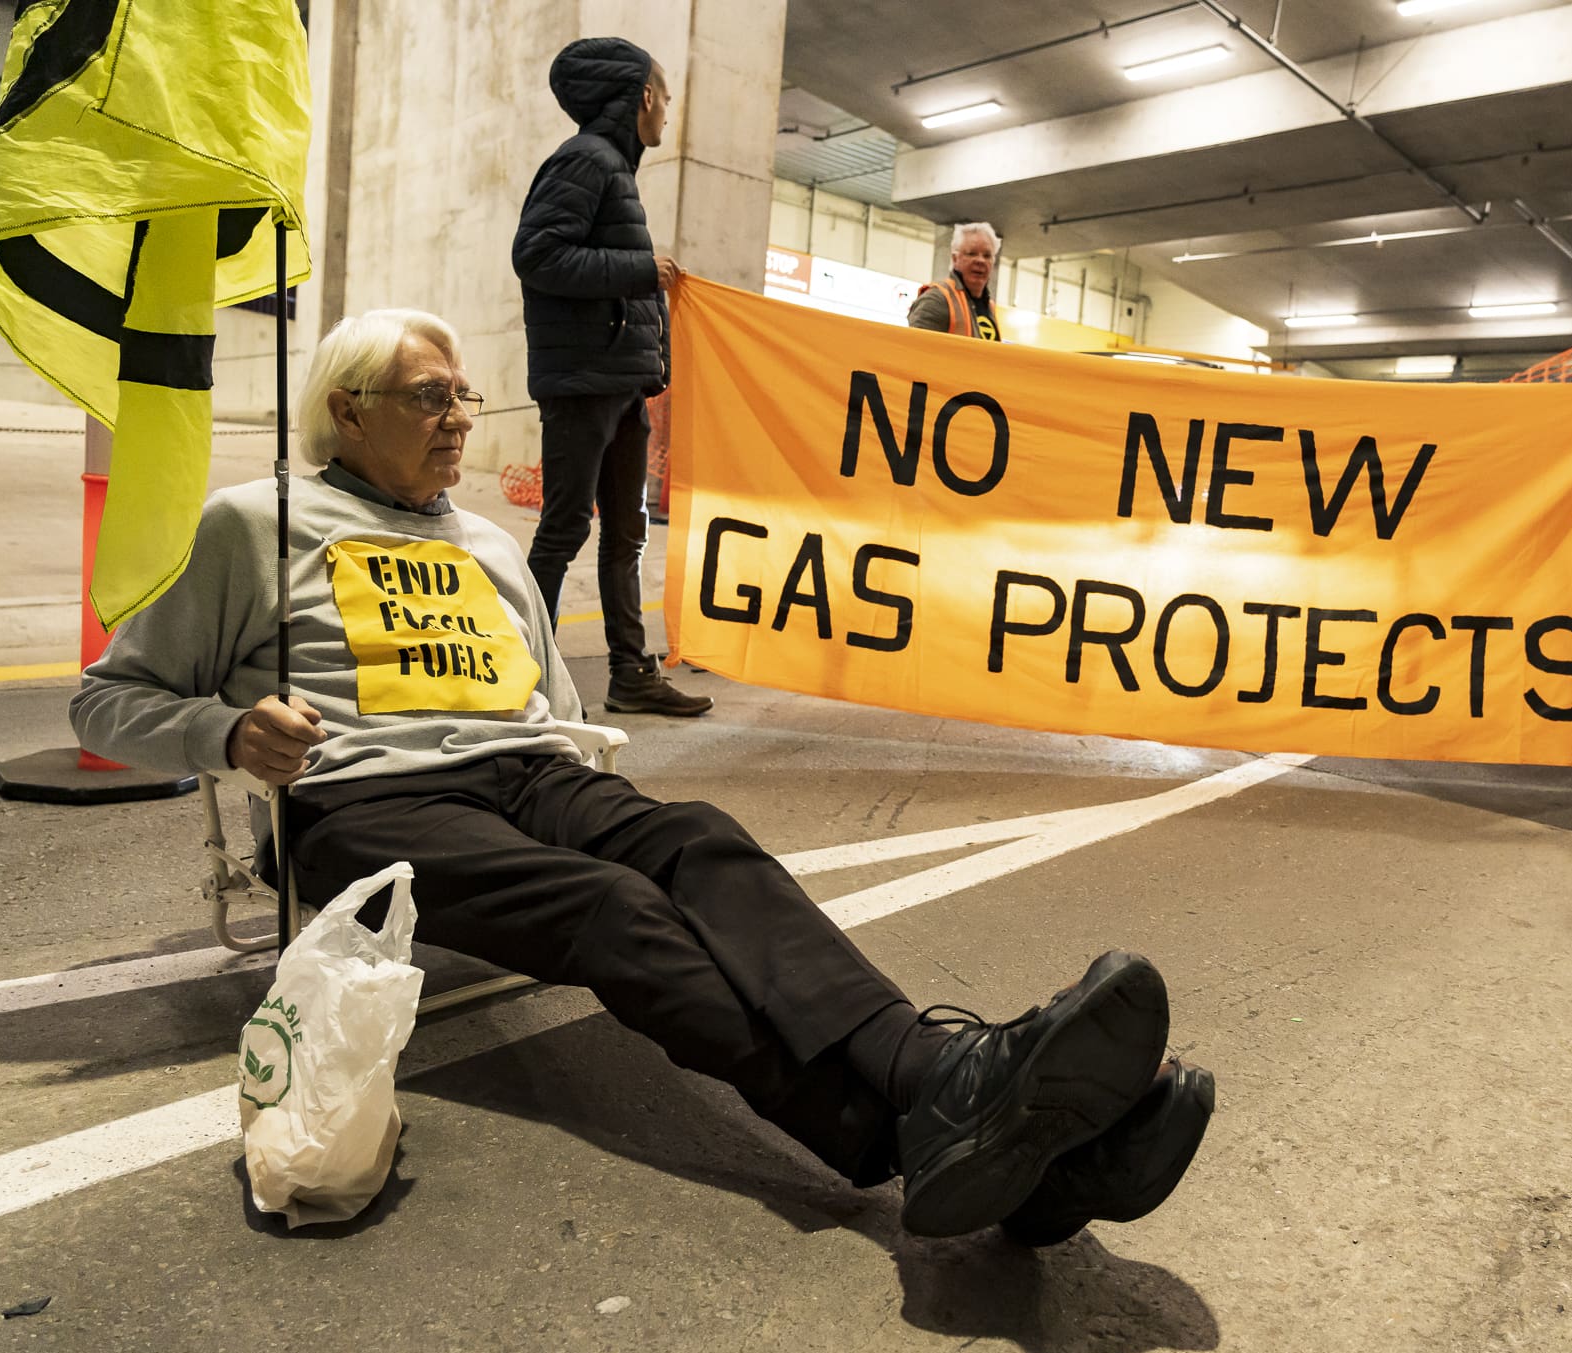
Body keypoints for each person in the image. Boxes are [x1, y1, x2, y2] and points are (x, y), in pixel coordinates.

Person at [70, 309, 1214, 1241]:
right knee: (612, 907)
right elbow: (107, 700)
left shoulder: (484, 546)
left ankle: (946, 1094)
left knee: (696, 837)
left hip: (523, 769)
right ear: (346, 410)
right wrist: (228, 736)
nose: (459, 420)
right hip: (365, 800)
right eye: (430, 397)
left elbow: (555, 716)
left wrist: (571, 771)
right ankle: (944, 1129)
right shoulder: (259, 524)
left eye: (465, 395)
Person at [513, 36, 710, 717]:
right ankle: (517, 671)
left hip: (619, 381)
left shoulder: (613, 170)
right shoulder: (586, 161)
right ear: (645, 98)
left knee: (627, 532)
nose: (668, 111)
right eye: (665, 97)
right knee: (565, 528)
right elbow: (536, 255)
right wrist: (637, 270)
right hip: (583, 382)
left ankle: (631, 673)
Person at [908, 222, 1004, 340]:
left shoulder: (989, 307)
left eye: (987, 255)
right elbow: (917, 350)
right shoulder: (936, 299)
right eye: (971, 253)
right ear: (955, 259)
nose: (980, 260)